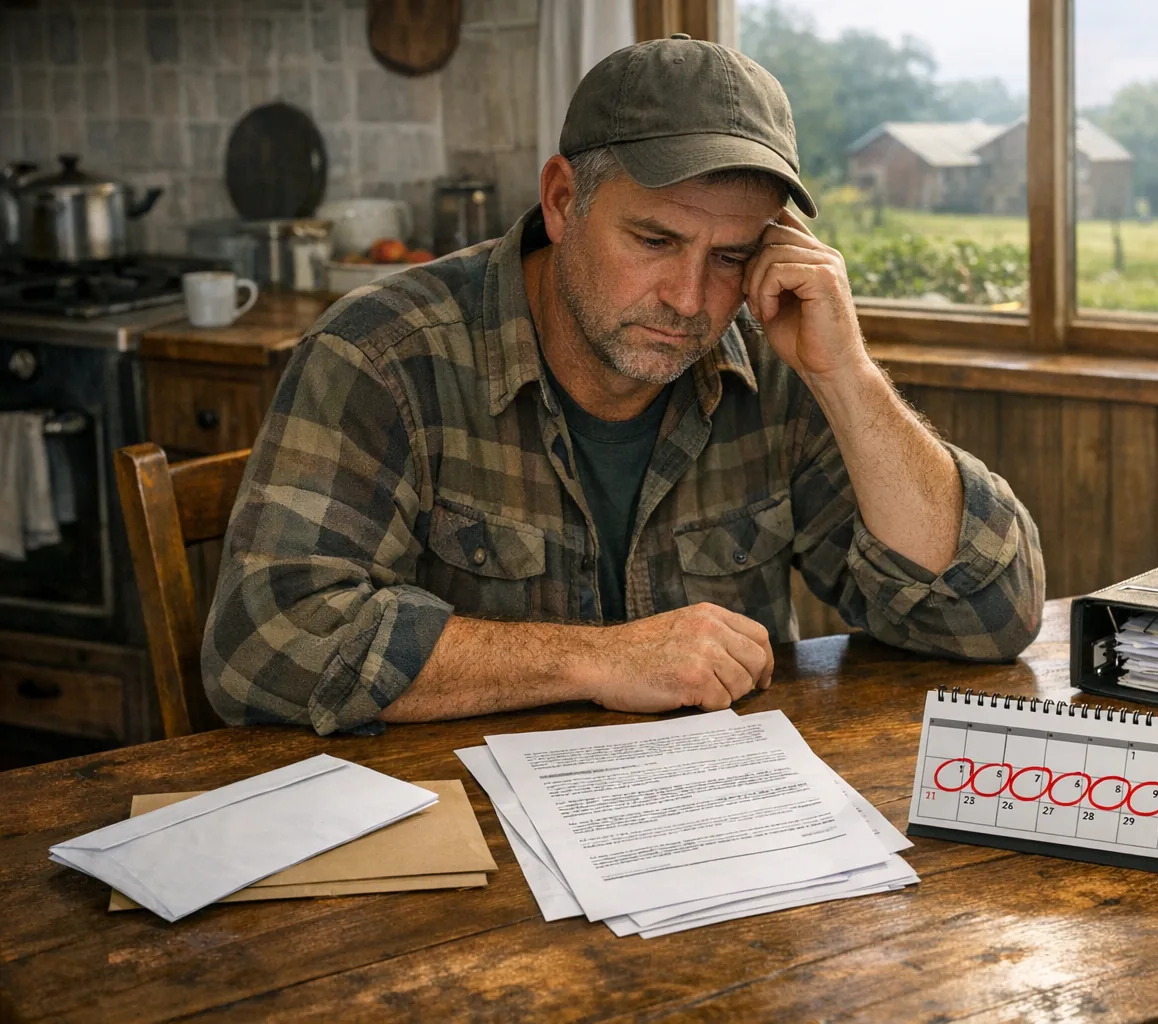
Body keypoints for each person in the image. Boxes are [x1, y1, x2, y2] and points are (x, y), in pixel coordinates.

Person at [203, 35, 1045, 736]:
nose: (689, 301)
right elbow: (264, 643)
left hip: (714, 842)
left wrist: (849, 377)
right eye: (653, 240)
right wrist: (598, 657)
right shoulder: (381, 353)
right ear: (564, 200)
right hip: (460, 855)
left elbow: (988, 617)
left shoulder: (771, 351)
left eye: (729, 257)